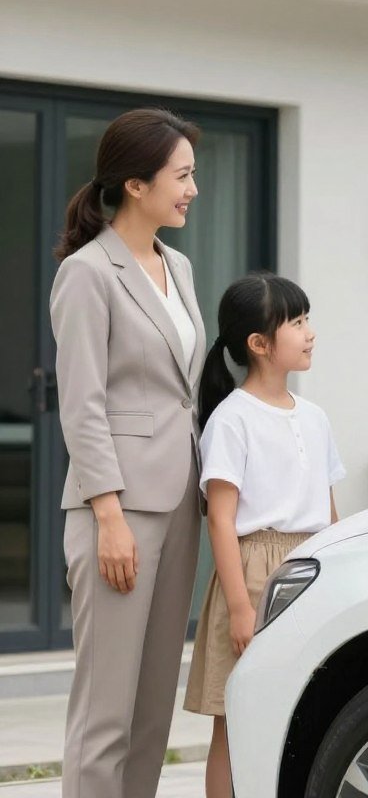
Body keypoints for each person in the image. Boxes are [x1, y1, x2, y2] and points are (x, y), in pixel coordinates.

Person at [50, 108, 204, 798]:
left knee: (150, 708)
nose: (193, 188)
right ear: (137, 185)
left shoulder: (180, 266)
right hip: (117, 511)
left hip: (179, 506)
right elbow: (81, 405)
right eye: (183, 175)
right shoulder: (89, 273)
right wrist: (106, 513)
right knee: (105, 709)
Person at [184, 272, 344, 798]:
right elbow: (220, 519)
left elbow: (329, 509)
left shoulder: (315, 417)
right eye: (296, 322)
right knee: (234, 721)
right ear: (259, 344)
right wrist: (238, 608)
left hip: (313, 567)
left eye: (306, 319)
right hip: (253, 574)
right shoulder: (232, 419)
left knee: (308, 710)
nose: (310, 332)